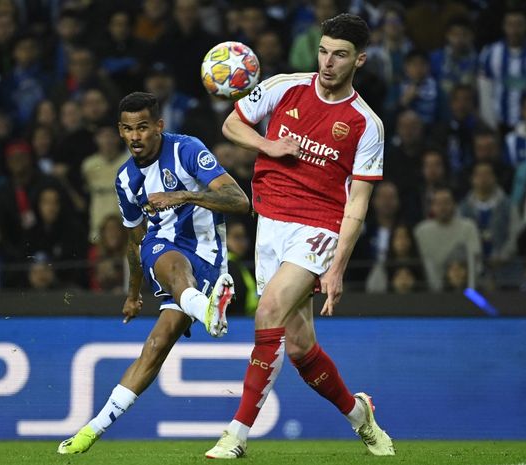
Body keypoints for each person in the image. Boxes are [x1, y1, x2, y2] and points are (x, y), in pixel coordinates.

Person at [205, 13, 395, 459]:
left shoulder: (366, 124)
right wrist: (269, 146)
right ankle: (360, 416)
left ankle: (237, 434)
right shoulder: (285, 86)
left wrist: (337, 269)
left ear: (360, 60)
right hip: (269, 222)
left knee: (267, 309)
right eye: (324, 51)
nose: (328, 62)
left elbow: (358, 204)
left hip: (318, 228)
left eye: (340, 55)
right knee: (298, 346)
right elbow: (232, 125)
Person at [57, 91, 250, 454]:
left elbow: (240, 201)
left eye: (143, 127)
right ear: (119, 130)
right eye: (128, 129)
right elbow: (135, 240)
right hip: (163, 250)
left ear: (159, 126)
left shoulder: (187, 150)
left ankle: (204, 309)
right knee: (168, 259)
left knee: (157, 346)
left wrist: (185, 197)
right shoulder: (126, 179)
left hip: (209, 255)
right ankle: (91, 432)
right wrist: (133, 294)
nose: (135, 137)